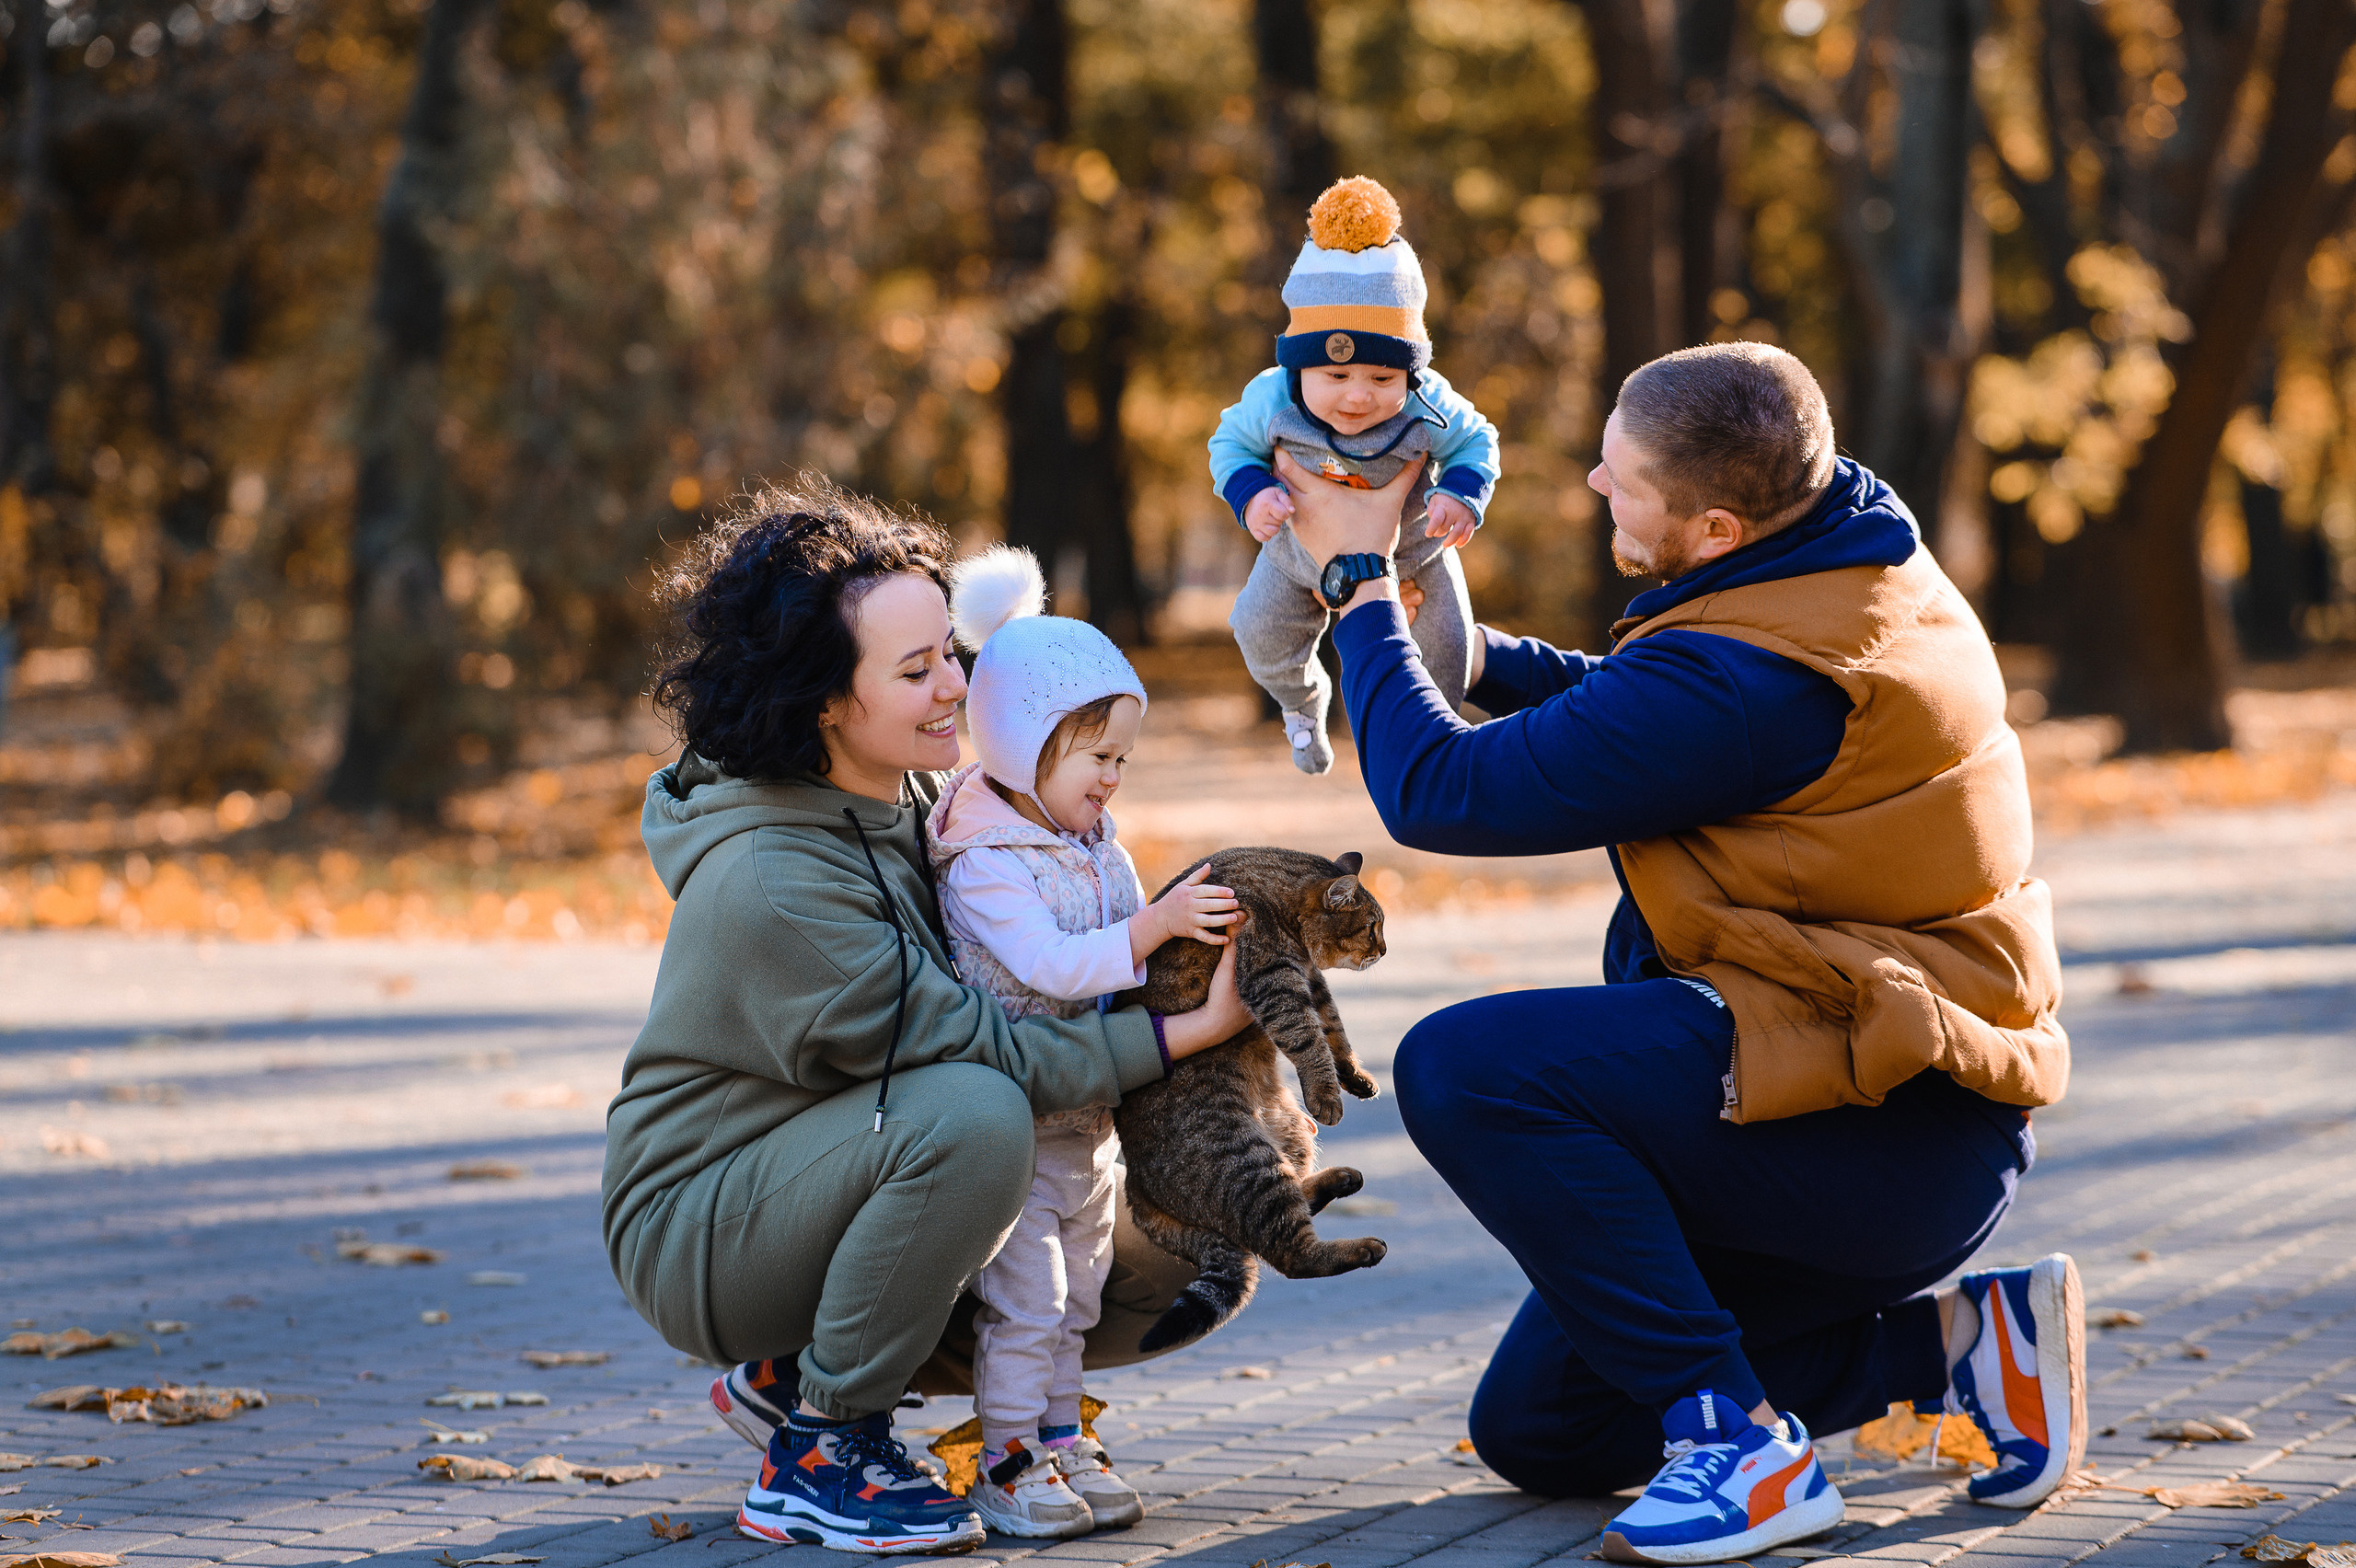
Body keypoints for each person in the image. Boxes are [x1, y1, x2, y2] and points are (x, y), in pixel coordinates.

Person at [1276, 342, 2085, 1566]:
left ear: (1713, 525)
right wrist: (1479, 657)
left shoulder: (1759, 678)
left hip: (1881, 1130)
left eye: (1622, 476)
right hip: (1837, 1072)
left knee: (1470, 1067)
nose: (1596, 484)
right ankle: (1971, 1348)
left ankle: (1743, 1450)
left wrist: (1356, 580)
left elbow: (1439, 792)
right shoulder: (1839, 558)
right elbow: (1653, 711)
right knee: (1548, 1429)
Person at [601, 481, 1250, 1557]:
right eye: (916, 671)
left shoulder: (913, 794)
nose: (959, 684)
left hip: (834, 1162)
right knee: (977, 1117)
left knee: (1182, 1259)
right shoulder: (775, 877)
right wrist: (1183, 1034)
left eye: (951, 649)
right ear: (824, 700)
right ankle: (823, 1447)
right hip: (703, 1225)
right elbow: (979, 1050)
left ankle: (792, 1377)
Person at [921, 545, 1241, 1539]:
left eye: (1121, 760)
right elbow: (1053, 967)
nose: (1113, 777)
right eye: (1096, 756)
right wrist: (1151, 931)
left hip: (1088, 1120)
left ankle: (1062, 1438)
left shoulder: (1095, 845)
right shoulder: (982, 861)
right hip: (1014, 1121)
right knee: (1029, 1302)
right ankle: (1009, 1454)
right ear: (1022, 745)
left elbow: (1133, 954)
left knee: (1081, 1298)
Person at [1208, 175, 1500, 776]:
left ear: (1411, 373)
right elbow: (1229, 445)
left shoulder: (1429, 400)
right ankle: (1301, 704)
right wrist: (1253, 491)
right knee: (1256, 627)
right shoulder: (1271, 398)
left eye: (1382, 378)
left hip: (1414, 552)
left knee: (1449, 639)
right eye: (1336, 378)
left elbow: (1476, 440)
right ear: (1298, 365)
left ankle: (1434, 740)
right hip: (1297, 553)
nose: (1358, 397)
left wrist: (1460, 494)